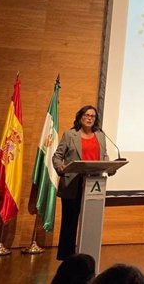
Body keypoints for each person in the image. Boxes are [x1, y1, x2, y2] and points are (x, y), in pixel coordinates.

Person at [52, 105, 109, 260]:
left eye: (93, 116)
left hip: (93, 183)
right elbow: (57, 157)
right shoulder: (70, 135)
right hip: (73, 184)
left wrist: (109, 166)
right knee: (69, 222)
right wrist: (60, 167)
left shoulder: (100, 135)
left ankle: (88, 255)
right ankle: (67, 257)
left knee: (91, 221)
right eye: (87, 115)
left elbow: (104, 156)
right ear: (80, 117)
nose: (90, 118)